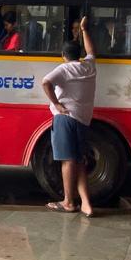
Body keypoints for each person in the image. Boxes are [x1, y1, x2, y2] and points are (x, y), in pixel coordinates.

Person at [41, 16, 97, 218]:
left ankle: (68, 202)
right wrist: (84, 29)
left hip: (65, 119)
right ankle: (86, 204)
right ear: (79, 54)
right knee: (79, 160)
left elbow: (45, 82)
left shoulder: (64, 68)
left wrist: (56, 104)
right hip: (83, 120)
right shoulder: (89, 67)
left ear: (63, 55)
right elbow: (91, 51)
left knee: (67, 161)